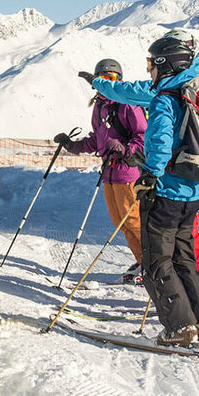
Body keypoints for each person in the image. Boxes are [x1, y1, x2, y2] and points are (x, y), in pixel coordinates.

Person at [79, 33, 199, 298]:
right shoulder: (194, 84)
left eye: (154, 62)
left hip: (174, 176)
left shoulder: (168, 90)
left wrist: (151, 173)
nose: (151, 69)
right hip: (195, 173)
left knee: (182, 237)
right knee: (185, 236)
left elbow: (149, 124)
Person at [54, 59, 146, 273]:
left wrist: (125, 149)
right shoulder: (100, 106)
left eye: (111, 78)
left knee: (133, 220)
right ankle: (143, 261)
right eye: (102, 78)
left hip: (127, 171)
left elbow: (143, 135)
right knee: (120, 221)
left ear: (119, 80)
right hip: (108, 172)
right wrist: (74, 146)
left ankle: (154, 264)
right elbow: (98, 138)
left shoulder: (126, 104)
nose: (107, 83)